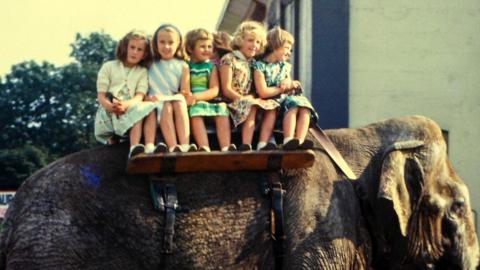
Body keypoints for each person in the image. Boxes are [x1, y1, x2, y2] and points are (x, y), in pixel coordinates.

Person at [253, 26, 318, 150]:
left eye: (290, 49)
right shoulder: (259, 66)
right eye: (287, 48)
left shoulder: (285, 66)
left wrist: (290, 82)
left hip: (284, 101)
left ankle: (299, 139)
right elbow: (263, 92)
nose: (289, 52)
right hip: (268, 101)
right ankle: (270, 142)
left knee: (302, 105)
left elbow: (287, 81)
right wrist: (282, 88)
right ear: (275, 46)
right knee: (274, 108)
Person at [94, 29, 155, 159]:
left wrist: (126, 104)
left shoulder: (142, 72)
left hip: (130, 105)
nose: (135, 52)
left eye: (139, 50)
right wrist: (110, 106)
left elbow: (139, 95)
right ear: (125, 47)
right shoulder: (108, 67)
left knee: (144, 108)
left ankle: (140, 146)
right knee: (137, 110)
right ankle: (115, 139)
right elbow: (101, 95)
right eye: (132, 47)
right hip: (109, 108)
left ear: (144, 54)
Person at [219, 21, 279, 151]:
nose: (254, 45)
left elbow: (254, 90)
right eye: (250, 40)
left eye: (258, 42)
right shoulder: (229, 59)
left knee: (272, 106)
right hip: (231, 102)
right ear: (240, 40)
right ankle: (246, 144)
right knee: (251, 105)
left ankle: (265, 142)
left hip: (249, 102)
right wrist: (244, 99)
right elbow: (226, 89)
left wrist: (252, 97)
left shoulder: (254, 63)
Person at [143, 24, 196, 153]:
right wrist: (146, 98)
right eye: (162, 42)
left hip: (172, 100)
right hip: (154, 101)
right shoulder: (150, 64)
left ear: (178, 44)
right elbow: (142, 88)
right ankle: (173, 146)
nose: (166, 46)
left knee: (177, 101)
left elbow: (184, 91)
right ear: (155, 44)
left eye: (171, 42)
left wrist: (186, 96)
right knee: (166, 105)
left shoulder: (183, 66)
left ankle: (185, 144)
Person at [184, 28, 236, 152]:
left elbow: (214, 89)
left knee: (222, 109)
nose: (207, 49)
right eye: (202, 46)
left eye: (209, 46)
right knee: (195, 113)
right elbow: (185, 88)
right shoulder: (186, 66)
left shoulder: (211, 67)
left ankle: (226, 147)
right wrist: (192, 98)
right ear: (191, 49)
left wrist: (197, 97)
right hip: (193, 104)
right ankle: (204, 146)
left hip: (207, 101)